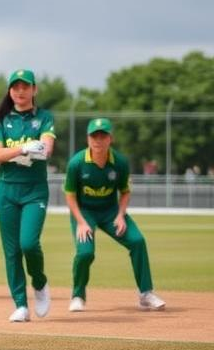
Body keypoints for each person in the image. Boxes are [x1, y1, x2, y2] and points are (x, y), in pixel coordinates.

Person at [64, 118, 166, 312]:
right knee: (85, 253)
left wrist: (120, 216)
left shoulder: (119, 162)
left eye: (103, 136)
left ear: (110, 139)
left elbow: (125, 191)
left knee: (137, 241)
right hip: (84, 212)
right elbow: (70, 196)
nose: (98, 140)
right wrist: (81, 222)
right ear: (88, 139)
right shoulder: (76, 163)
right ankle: (78, 295)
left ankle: (145, 294)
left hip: (110, 211)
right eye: (94, 136)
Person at [0, 69, 55, 323]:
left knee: (29, 243)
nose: (20, 91)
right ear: (10, 91)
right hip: (7, 191)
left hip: (34, 190)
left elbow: (46, 148)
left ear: (34, 89)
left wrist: (32, 150)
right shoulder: (2, 121)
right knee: (12, 251)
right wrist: (23, 149)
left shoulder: (44, 117)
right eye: (15, 87)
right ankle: (21, 304)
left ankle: (40, 282)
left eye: (25, 87)